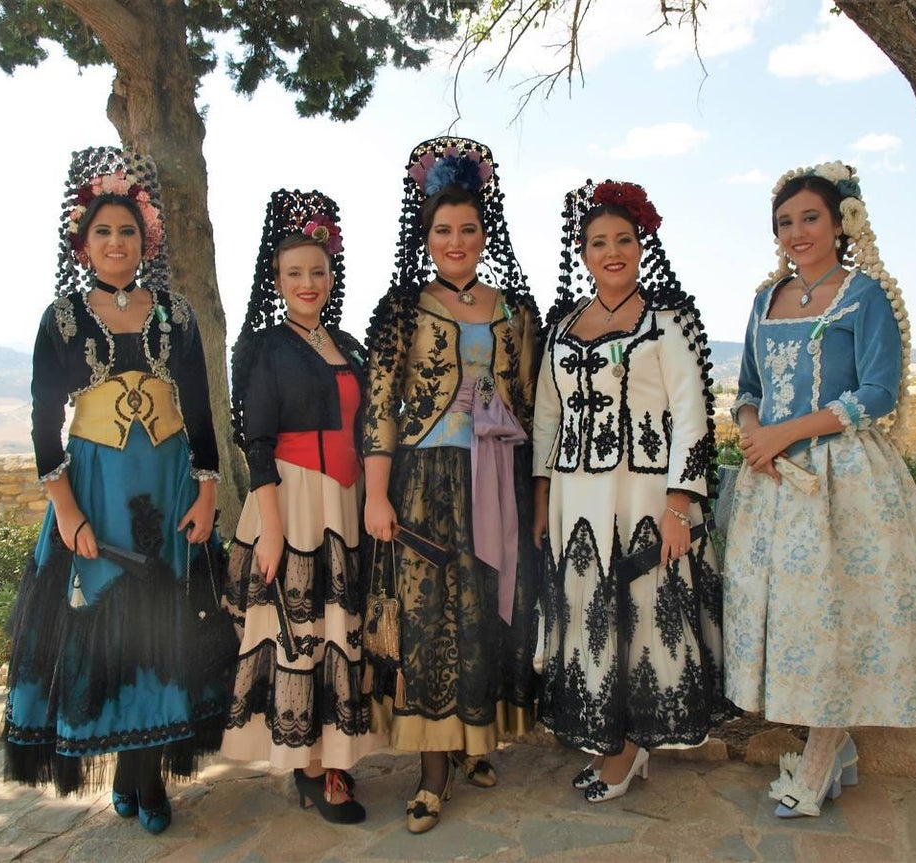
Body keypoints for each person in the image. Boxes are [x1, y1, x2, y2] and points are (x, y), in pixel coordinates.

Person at [0, 146, 233, 835]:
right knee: (111, 632)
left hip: (168, 488)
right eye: (102, 231)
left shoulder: (177, 316)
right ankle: (133, 772)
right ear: (83, 241)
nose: (115, 242)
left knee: (166, 630)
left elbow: (199, 410)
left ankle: (147, 777)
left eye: (127, 230)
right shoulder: (62, 319)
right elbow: (46, 421)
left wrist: (208, 491)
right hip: (97, 492)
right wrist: (65, 508)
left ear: (147, 238)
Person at [722, 161, 916, 818]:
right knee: (797, 617)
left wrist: (786, 432)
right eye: (784, 222)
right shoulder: (764, 299)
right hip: (773, 483)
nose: (796, 232)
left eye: (809, 218)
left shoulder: (864, 295)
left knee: (834, 614)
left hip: (841, 478)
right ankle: (835, 745)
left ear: (839, 222)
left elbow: (877, 392)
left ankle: (822, 759)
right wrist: (751, 430)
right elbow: (747, 385)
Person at [362, 136, 542, 834]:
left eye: (468, 228)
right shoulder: (401, 310)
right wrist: (378, 495)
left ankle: (475, 742)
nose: (457, 240)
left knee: (484, 615)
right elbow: (379, 407)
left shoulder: (515, 311)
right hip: (427, 483)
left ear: (484, 232)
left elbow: (530, 406)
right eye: (444, 229)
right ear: (426, 235)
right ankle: (432, 768)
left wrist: (537, 494)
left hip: (498, 479)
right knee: (430, 619)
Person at [531, 180, 732, 804]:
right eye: (598, 242)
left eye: (623, 240)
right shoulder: (562, 325)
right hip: (574, 502)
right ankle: (618, 747)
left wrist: (681, 506)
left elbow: (692, 416)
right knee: (592, 621)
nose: (611, 251)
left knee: (641, 619)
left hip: (645, 500)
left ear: (641, 247)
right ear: (582, 253)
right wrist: (541, 501)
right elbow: (545, 417)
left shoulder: (667, 325)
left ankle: (625, 751)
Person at [222, 190, 374, 823]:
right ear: (276, 280)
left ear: (331, 275)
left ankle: (337, 754)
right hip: (292, 499)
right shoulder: (262, 348)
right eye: (294, 273)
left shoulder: (349, 343)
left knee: (343, 631)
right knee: (301, 631)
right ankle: (310, 768)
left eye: (318, 271)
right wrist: (273, 530)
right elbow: (255, 442)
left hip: (346, 500)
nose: (308, 283)